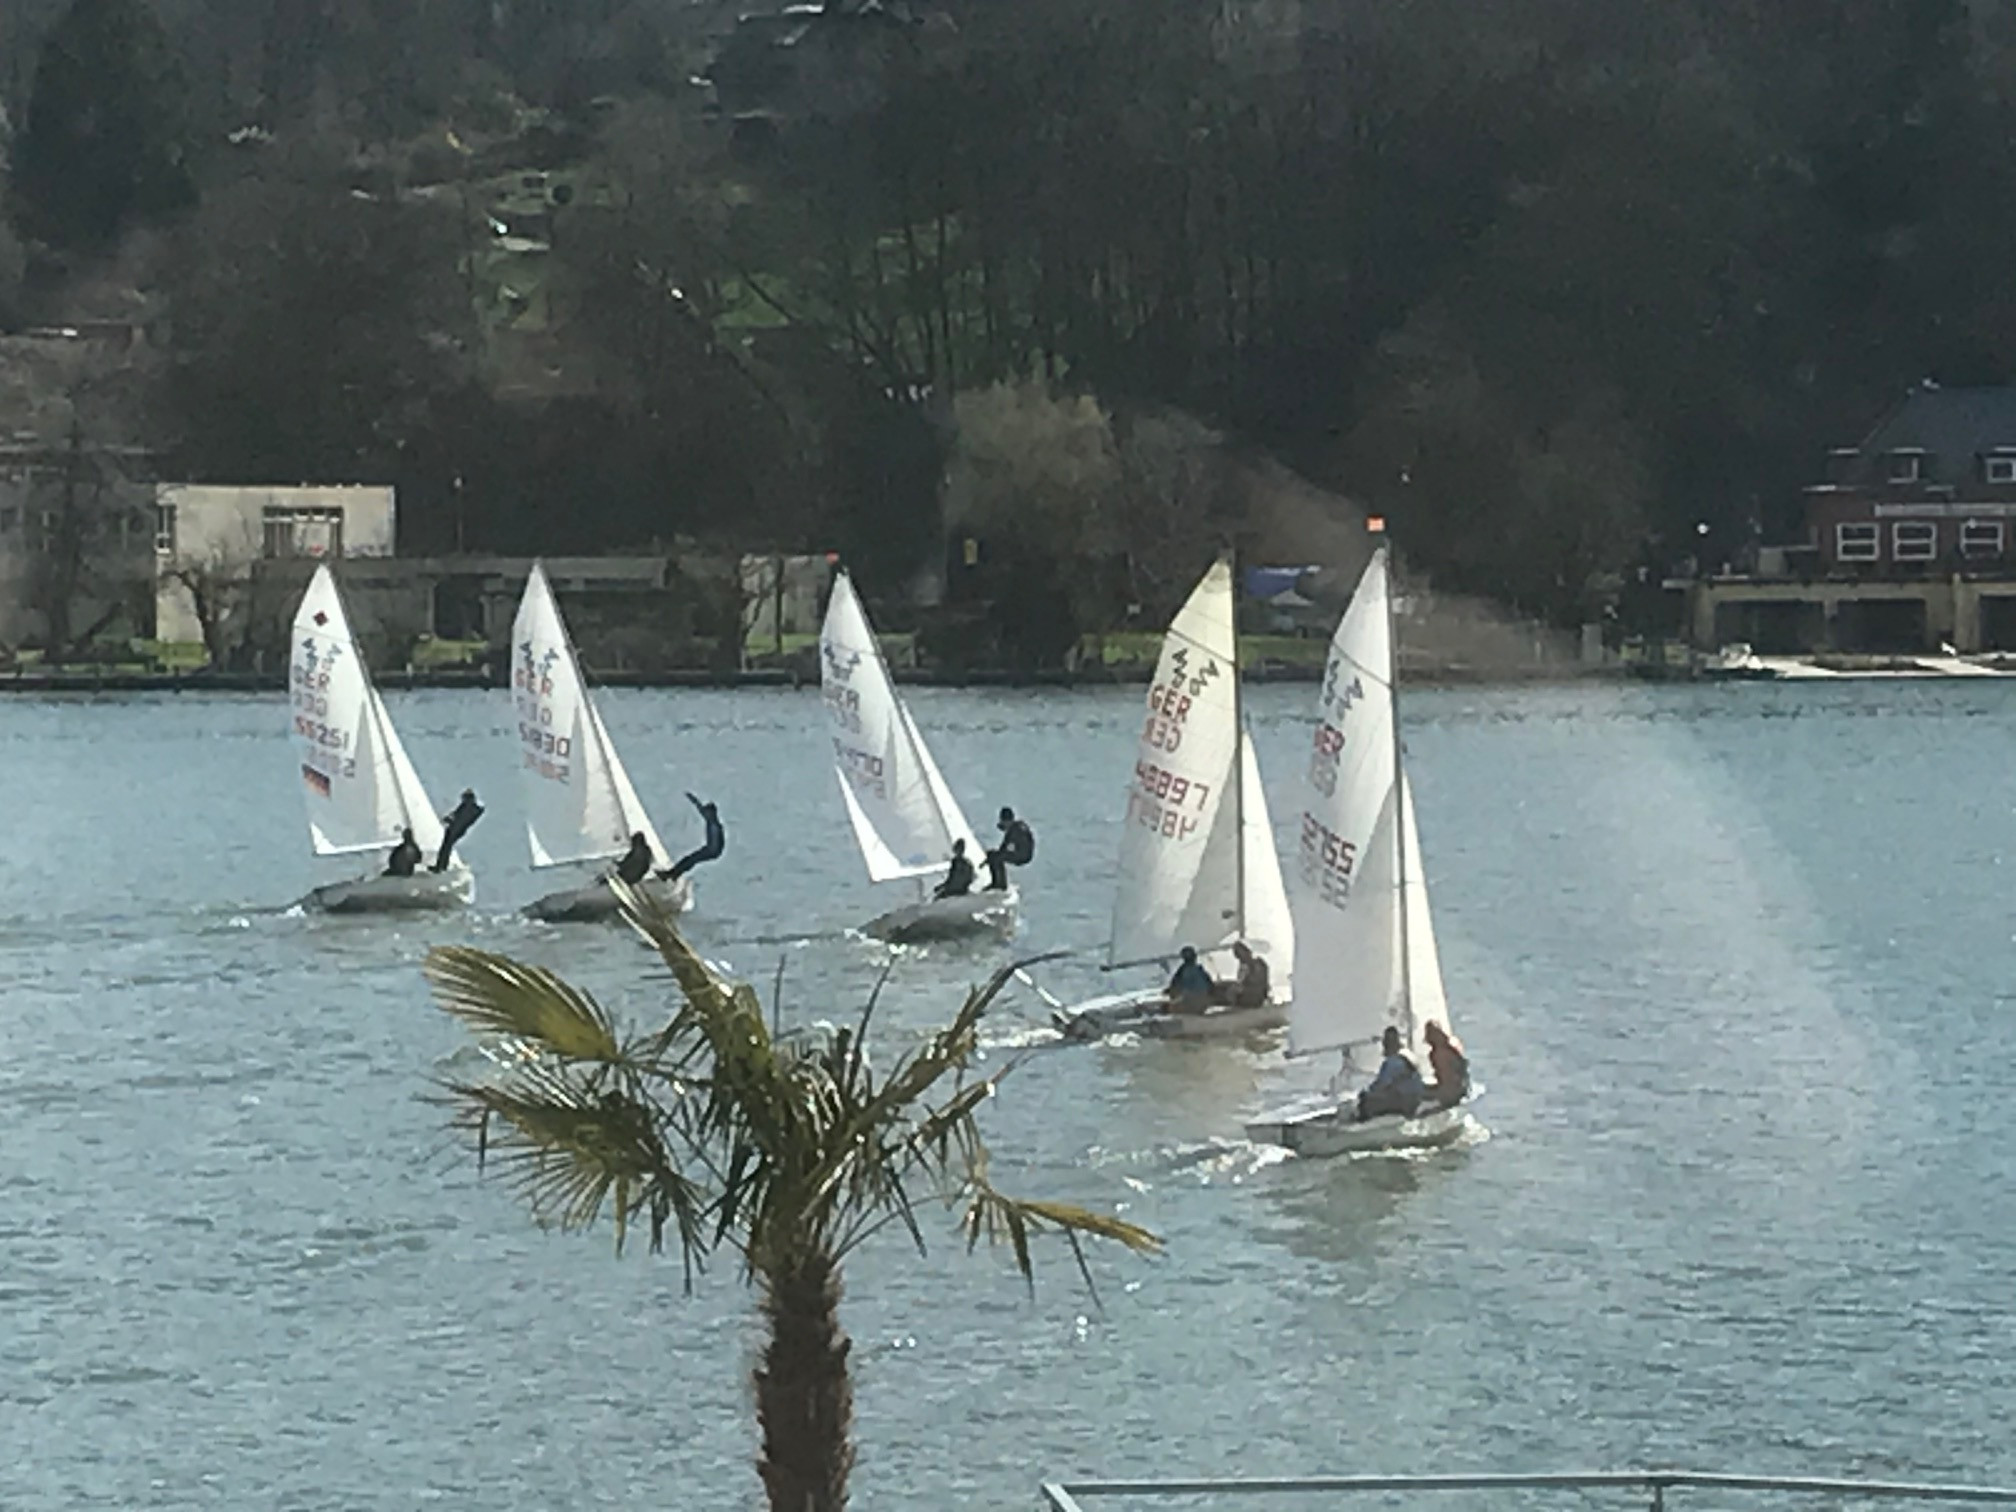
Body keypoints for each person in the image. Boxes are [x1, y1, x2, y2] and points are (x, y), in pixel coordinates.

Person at [1356, 1025, 1426, 1121]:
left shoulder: (1393, 1062)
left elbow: (1381, 1085)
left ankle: (1361, 1122)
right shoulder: (1408, 1055)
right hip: (1416, 1098)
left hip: (1406, 1102)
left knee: (1366, 1101)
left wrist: (1366, 1093)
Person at [662, 793, 726, 882]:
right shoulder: (710, 819)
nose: (705, 814)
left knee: (691, 859)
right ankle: (674, 874)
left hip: (712, 851)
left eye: (707, 813)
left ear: (712, 814)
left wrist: (707, 851)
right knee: (690, 859)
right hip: (710, 849)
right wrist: (693, 799)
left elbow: (715, 847)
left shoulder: (715, 826)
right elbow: (700, 808)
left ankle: (672, 874)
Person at [983, 806, 1036, 891]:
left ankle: (1000, 884)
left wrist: (993, 857)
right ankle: (999, 882)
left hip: (1022, 855)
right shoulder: (1017, 826)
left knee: (996, 858)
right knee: (995, 856)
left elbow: (1005, 845)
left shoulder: (1015, 830)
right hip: (1022, 852)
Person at [432, 788, 484, 872]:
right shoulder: (471, 808)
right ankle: (442, 866)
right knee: (447, 848)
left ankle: (440, 867)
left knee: (445, 848)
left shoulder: (466, 807)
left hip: (454, 830)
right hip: (459, 831)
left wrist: (449, 821)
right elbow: (457, 816)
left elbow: (459, 819)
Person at [1422, 1020, 1470, 1108]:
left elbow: (1447, 1078)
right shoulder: (1454, 1043)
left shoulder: (1438, 1054)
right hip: (1462, 1088)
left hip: (1450, 1092)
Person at [1218, 941, 1269, 1009]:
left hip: (1254, 997)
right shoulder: (1253, 964)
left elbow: (1244, 982)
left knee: (1230, 989)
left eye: (1240, 955)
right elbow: (1241, 981)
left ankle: (1236, 1007)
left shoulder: (1255, 964)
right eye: (1238, 955)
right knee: (1225, 987)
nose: (1240, 958)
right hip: (1257, 996)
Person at [1165, 945, 1215, 1013]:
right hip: (1202, 1003)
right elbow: (1210, 985)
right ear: (1195, 956)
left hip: (1190, 1002)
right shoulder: (1199, 970)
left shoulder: (1184, 971)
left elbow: (1177, 988)